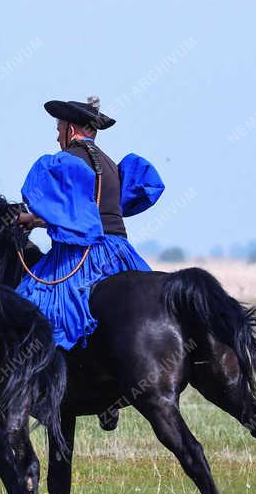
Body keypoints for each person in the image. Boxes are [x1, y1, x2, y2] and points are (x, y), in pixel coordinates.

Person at [15, 96, 164, 354]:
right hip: (120, 252)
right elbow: (79, 214)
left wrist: (27, 220)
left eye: (58, 129)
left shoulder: (68, 162)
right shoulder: (111, 164)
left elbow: (68, 216)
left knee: (27, 303)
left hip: (83, 255)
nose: (57, 137)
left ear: (70, 130)